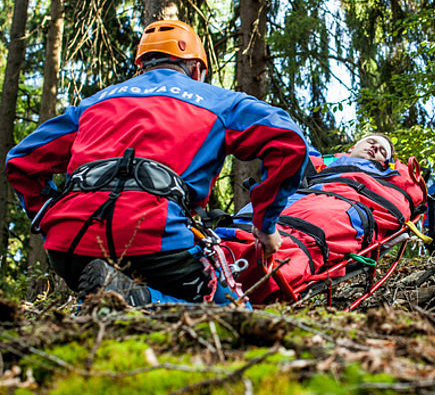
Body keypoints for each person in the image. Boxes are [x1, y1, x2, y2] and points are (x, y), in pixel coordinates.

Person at [5, 20, 309, 306]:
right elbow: (288, 141)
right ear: (195, 69)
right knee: (230, 311)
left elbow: (22, 160)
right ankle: (140, 299)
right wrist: (265, 223)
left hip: (70, 243)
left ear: (141, 67)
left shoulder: (92, 104)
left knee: (104, 298)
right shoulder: (220, 101)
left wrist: (47, 215)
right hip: (155, 238)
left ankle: (105, 301)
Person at [221, 133, 427, 303]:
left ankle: (250, 265)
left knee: (314, 224)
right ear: (354, 145)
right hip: (301, 196)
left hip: (340, 205)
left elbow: (398, 206)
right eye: (371, 142)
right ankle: (221, 247)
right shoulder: (323, 163)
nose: (375, 148)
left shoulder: (388, 179)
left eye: (382, 151)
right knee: (256, 214)